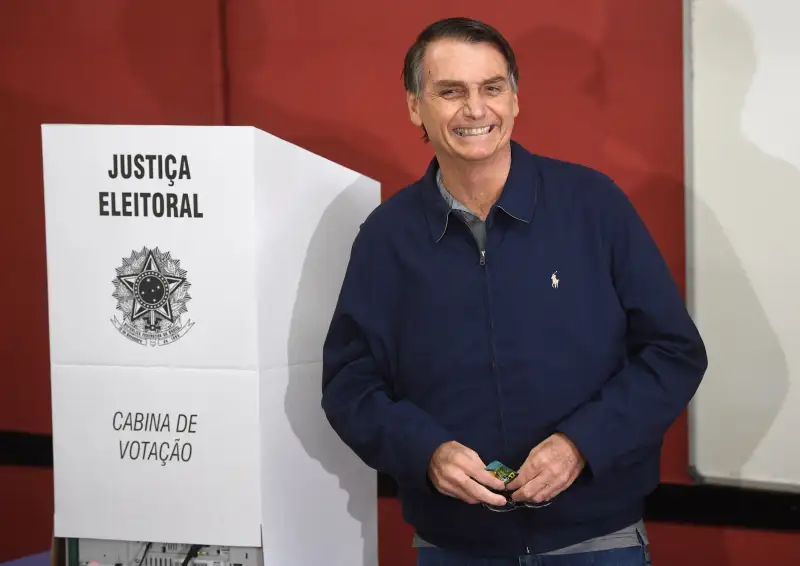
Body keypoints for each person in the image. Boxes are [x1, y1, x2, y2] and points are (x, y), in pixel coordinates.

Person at [321, 16, 707, 566]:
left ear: (516, 99)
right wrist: (425, 452)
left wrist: (581, 445)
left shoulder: (594, 205)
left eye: (491, 89)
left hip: (597, 542)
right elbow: (349, 385)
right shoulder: (387, 238)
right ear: (414, 107)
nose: (475, 110)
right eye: (450, 91)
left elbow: (674, 353)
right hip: (453, 546)